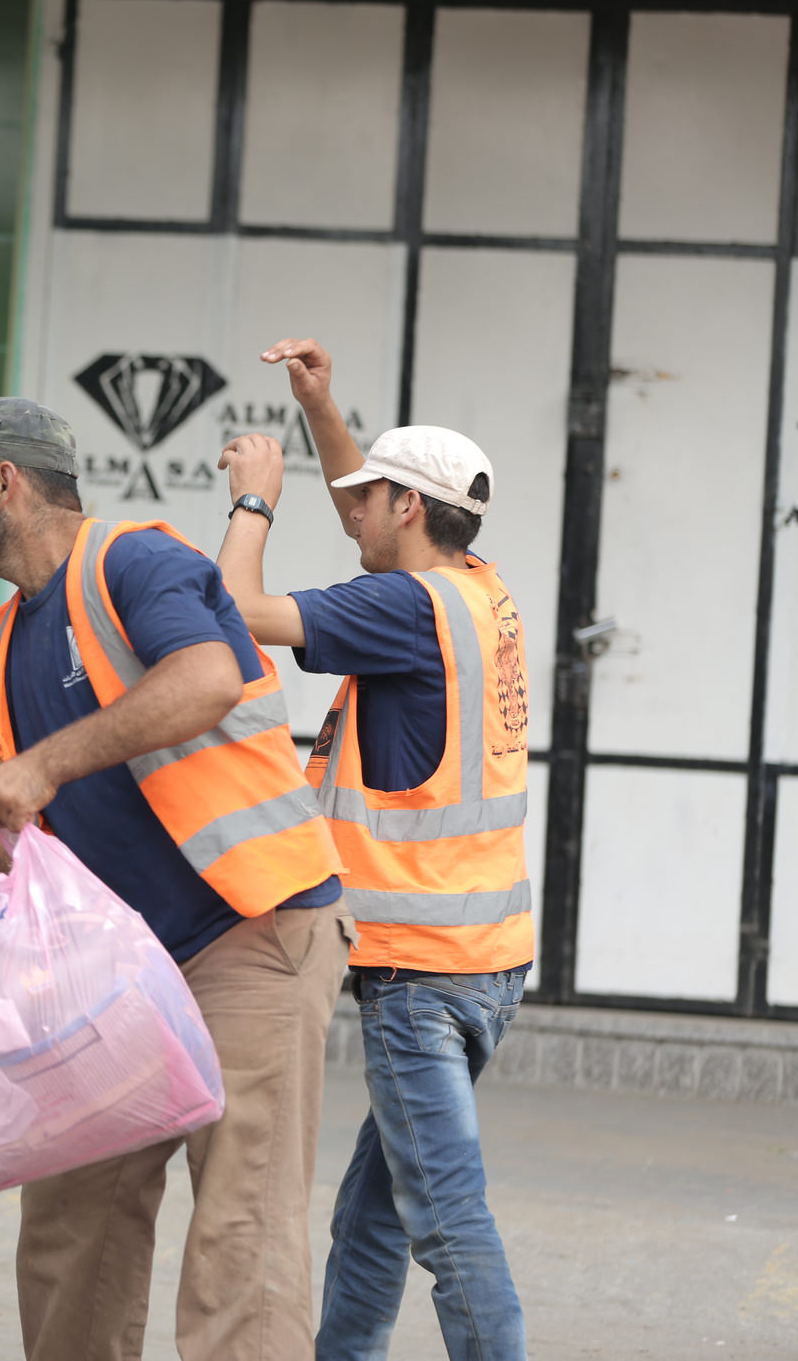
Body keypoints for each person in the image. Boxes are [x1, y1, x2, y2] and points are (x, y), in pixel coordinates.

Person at [0, 395, 356, 1361]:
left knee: (242, 1237)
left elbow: (208, 679)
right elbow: (62, 811)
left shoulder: (134, 562)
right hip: (121, 968)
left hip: (252, 935)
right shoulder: (11, 634)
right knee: (74, 1225)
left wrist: (43, 764)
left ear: (6, 481)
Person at [211, 338, 533, 1361]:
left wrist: (253, 503)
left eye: (372, 495)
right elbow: (367, 523)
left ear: (406, 509)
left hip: (417, 975)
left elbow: (236, 612)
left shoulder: (400, 608)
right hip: (484, 959)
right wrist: (319, 407)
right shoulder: (473, 589)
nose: (353, 508)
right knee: (374, 1216)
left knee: (441, 1218)